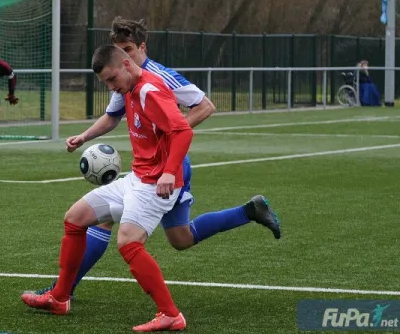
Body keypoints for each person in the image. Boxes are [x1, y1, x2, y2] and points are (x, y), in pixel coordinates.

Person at [26, 17, 281, 299]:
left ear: (141, 48)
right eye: (119, 48)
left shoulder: (158, 77)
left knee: (140, 230)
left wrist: (166, 137)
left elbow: (205, 106)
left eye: (129, 49)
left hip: (168, 166)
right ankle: (250, 211)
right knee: (170, 235)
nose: (124, 54)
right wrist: (85, 137)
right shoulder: (122, 80)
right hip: (147, 170)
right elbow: (112, 116)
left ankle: (65, 291)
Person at [22, 44, 193, 331]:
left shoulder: (149, 90)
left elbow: (183, 131)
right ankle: (60, 298)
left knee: (128, 242)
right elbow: (112, 118)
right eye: (106, 84)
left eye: (112, 80)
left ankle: (170, 314)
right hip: (136, 179)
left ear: (127, 65)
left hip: (154, 185)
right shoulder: (126, 89)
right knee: (75, 218)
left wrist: (168, 171)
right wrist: (85, 136)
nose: (112, 87)